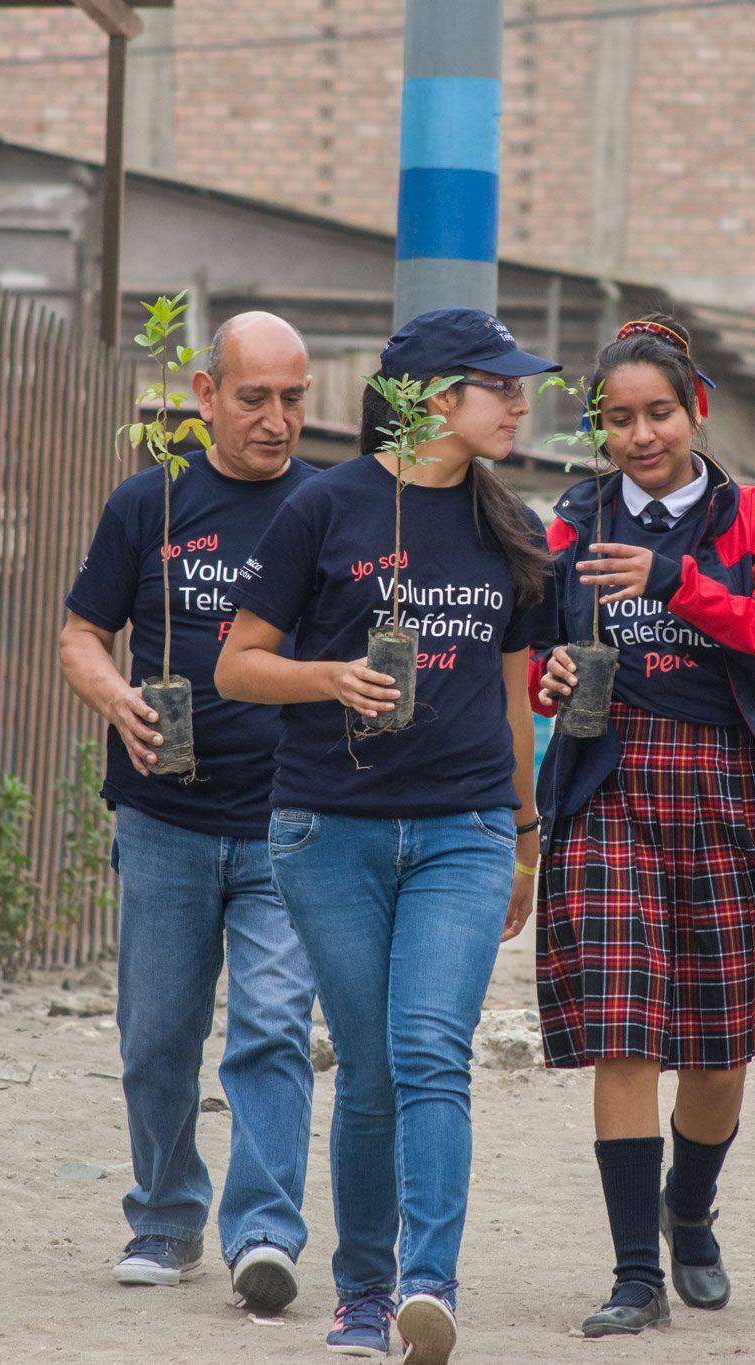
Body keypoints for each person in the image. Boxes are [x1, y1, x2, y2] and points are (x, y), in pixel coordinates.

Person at [214, 307, 556, 1365]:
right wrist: (330, 677)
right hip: (329, 829)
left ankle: (428, 1283)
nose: (520, 401)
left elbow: (514, 696)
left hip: (465, 829)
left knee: (429, 1052)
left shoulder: (514, 527)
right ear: (429, 398)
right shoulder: (325, 510)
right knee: (366, 1066)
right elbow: (236, 667)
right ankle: (360, 1291)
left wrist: (526, 835)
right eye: (499, 385)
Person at [532, 316, 755, 1336]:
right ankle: (632, 1274)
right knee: (623, 1030)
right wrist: (551, 676)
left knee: (719, 1047)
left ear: (695, 408)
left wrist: (676, 582)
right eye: (618, 419)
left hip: (729, 786)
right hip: (609, 787)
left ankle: (688, 1210)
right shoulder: (572, 520)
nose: (641, 435)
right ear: (599, 429)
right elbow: (542, 654)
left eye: (658, 412)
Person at [57, 312, 320, 1312]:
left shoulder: (330, 509)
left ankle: (263, 1231)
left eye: (293, 398)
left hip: (285, 822)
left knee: (269, 1028)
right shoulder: (149, 503)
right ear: (205, 394)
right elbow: (83, 634)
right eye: (254, 397)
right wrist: (112, 693)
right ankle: (165, 1220)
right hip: (162, 819)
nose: (276, 419)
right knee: (157, 1035)